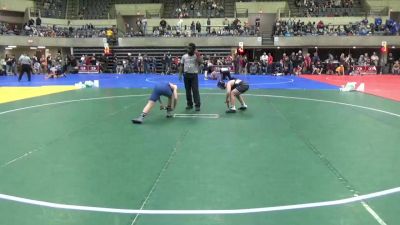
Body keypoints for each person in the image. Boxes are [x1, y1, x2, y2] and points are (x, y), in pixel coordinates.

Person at [179, 43, 203, 111]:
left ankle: (197, 105)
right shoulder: (184, 56)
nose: (188, 49)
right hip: (186, 75)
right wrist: (180, 74)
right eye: (187, 48)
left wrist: (198, 54)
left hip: (194, 75)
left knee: (195, 90)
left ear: (193, 49)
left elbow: (201, 62)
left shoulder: (196, 56)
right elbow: (181, 65)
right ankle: (189, 104)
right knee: (187, 91)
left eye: (189, 48)